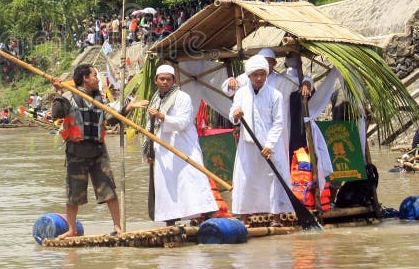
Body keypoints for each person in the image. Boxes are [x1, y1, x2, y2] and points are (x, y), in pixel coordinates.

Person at [131, 64, 218, 225]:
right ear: (156, 80)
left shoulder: (182, 97)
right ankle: (170, 221)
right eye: (161, 79)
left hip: (184, 147)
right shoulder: (155, 100)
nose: (164, 82)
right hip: (163, 150)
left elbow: (183, 123)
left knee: (193, 181)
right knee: (166, 186)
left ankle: (203, 217)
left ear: (174, 81)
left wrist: (162, 116)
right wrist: (150, 151)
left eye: (168, 79)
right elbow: (150, 127)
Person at [50, 64, 127, 238]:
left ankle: (118, 226)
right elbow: (57, 113)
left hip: (98, 150)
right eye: (94, 75)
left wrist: (128, 108)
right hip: (76, 151)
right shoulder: (70, 95)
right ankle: (71, 229)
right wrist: (58, 93)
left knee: (109, 189)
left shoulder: (99, 98)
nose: (97, 79)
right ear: (85, 78)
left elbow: (110, 119)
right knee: (73, 192)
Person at [228, 55, 292, 227]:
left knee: (273, 179)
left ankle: (276, 218)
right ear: (249, 76)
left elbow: (279, 122)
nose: (259, 78)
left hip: (269, 146)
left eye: (262, 74)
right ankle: (244, 218)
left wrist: (269, 145)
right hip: (247, 145)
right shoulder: (241, 94)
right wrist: (235, 115)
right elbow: (233, 111)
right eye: (255, 75)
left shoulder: (275, 95)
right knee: (246, 179)